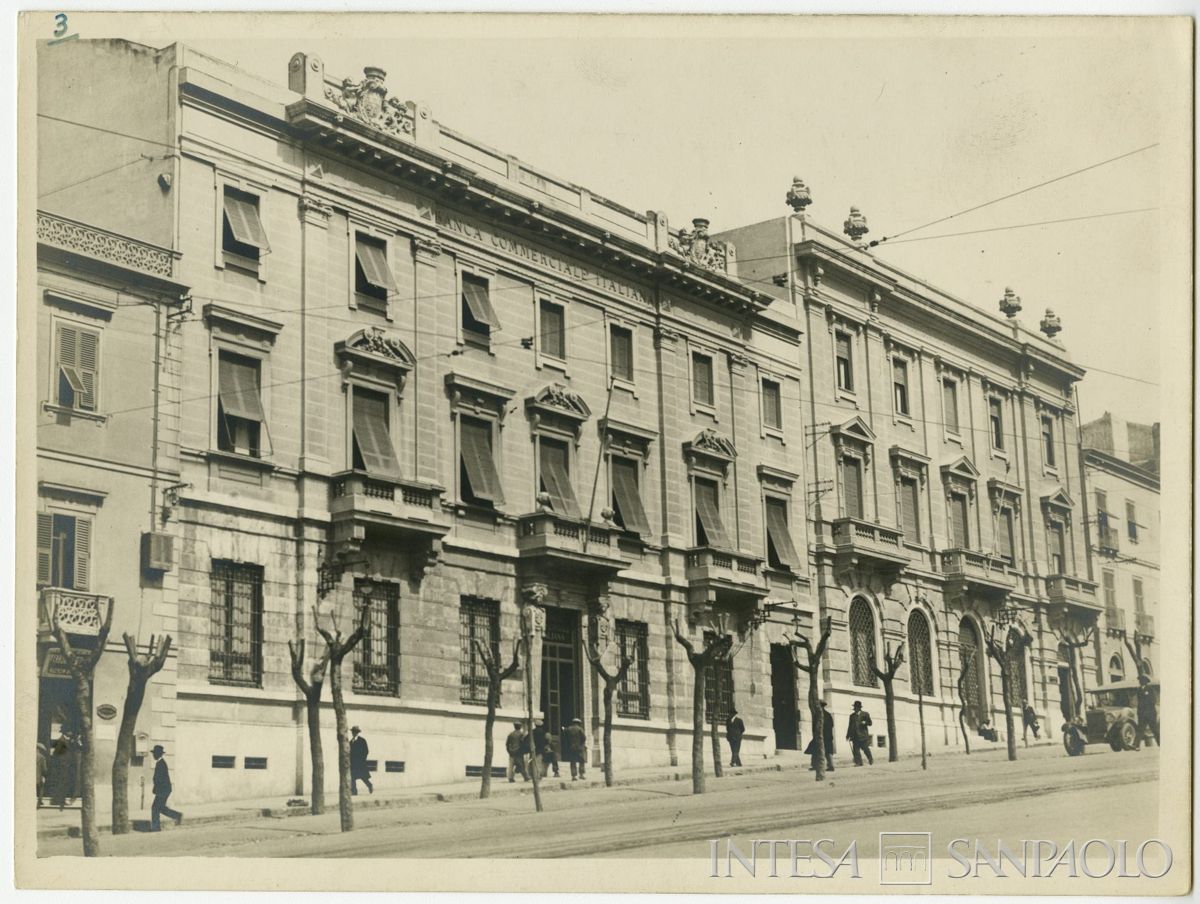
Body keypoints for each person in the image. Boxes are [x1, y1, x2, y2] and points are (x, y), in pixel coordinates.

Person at [150, 744, 183, 831]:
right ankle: (177, 815)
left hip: (163, 790)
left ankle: (156, 828)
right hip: (163, 790)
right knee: (160, 807)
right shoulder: (160, 763)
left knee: (155, 808)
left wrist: (158, 790)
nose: (153, 755)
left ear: (158, 754)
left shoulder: (161, 764)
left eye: (154, 753)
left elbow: (160, 779)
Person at [804, 701, 835, 772]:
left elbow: (815, 726)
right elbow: (832, 725)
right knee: (828, 750)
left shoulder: (818, 715)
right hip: (828, 735)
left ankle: (815, 765)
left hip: (820, 735)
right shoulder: (828, 715)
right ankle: (830, 765)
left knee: (816, 750)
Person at [1133, 675, 1159, 749]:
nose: (1140, 682)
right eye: (1140, 681)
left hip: (1150, 713)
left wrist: (1145, 705)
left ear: (1145, 682)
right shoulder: (1138, 690)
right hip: (1142, 714)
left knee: (1154, 729)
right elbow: (1138, 702)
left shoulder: (1150, 689)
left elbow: (1153, 700)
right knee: (1140, 729)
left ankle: (1160, 743)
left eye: (1141, 681)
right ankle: (1136, 745)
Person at [846, 700, 874, 766]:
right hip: (855, 736)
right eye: (854, 707)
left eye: (856, 707)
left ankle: (870, 759)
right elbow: (850, 726)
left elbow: (870, 723)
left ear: (859, 708)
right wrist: (848, 735)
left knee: (865, 749)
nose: (855, 708)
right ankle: (859, 762)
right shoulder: (852, 716)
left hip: (863, 735)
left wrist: (865, 723)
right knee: (856, 750)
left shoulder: (865, 714)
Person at [349, 726, 373, 795]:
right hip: (353, 763)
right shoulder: (350, 742)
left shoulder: (362, 740)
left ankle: (369, 785)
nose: (354, 733)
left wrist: (362, 759)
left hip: (360, 762)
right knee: (352, 777)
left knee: (363, 777)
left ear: (358, 733)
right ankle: (354, 791)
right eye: (353, 732)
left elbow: (366, 751)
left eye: (355, 732)